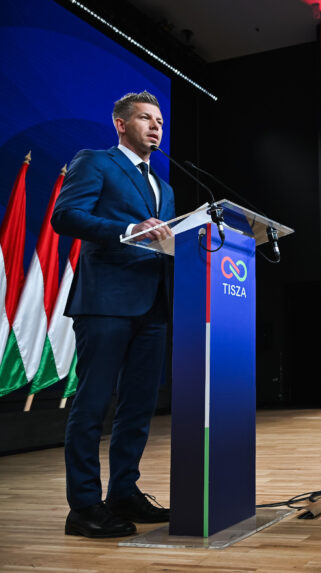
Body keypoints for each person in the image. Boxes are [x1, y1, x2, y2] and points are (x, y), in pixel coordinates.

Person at [52, 91, 175, 538]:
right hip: (105, 302)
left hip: (154, 305)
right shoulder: (96, 161)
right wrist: (128, 230)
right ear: (121, 124)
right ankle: (84, 507)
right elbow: (66, 216)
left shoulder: (165, 187)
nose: (155, 126)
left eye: (159, 120)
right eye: (145, 118)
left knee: (138, 407)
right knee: (93, 404)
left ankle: (123, 493)